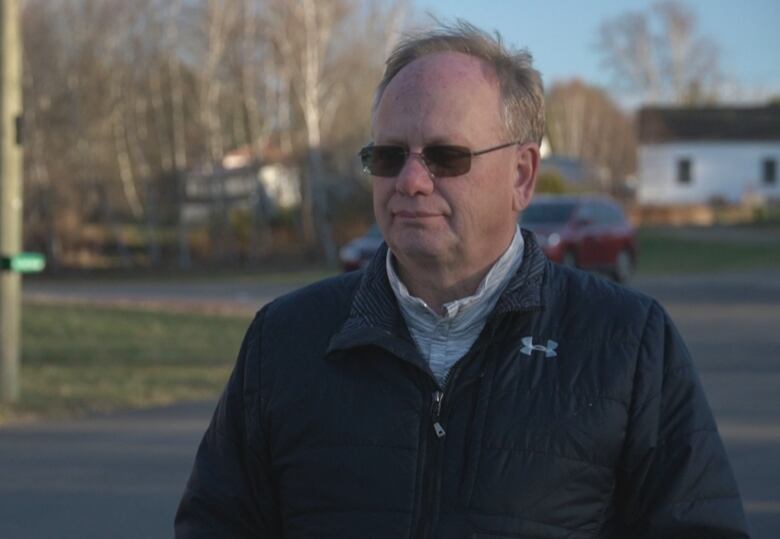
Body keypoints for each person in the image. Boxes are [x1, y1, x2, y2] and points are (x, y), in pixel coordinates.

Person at [175, 21, 749, 538]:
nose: (412, 181)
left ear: (522, 175)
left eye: (446, 157)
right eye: (389, 156)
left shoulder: (627, 343)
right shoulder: (285, 339)